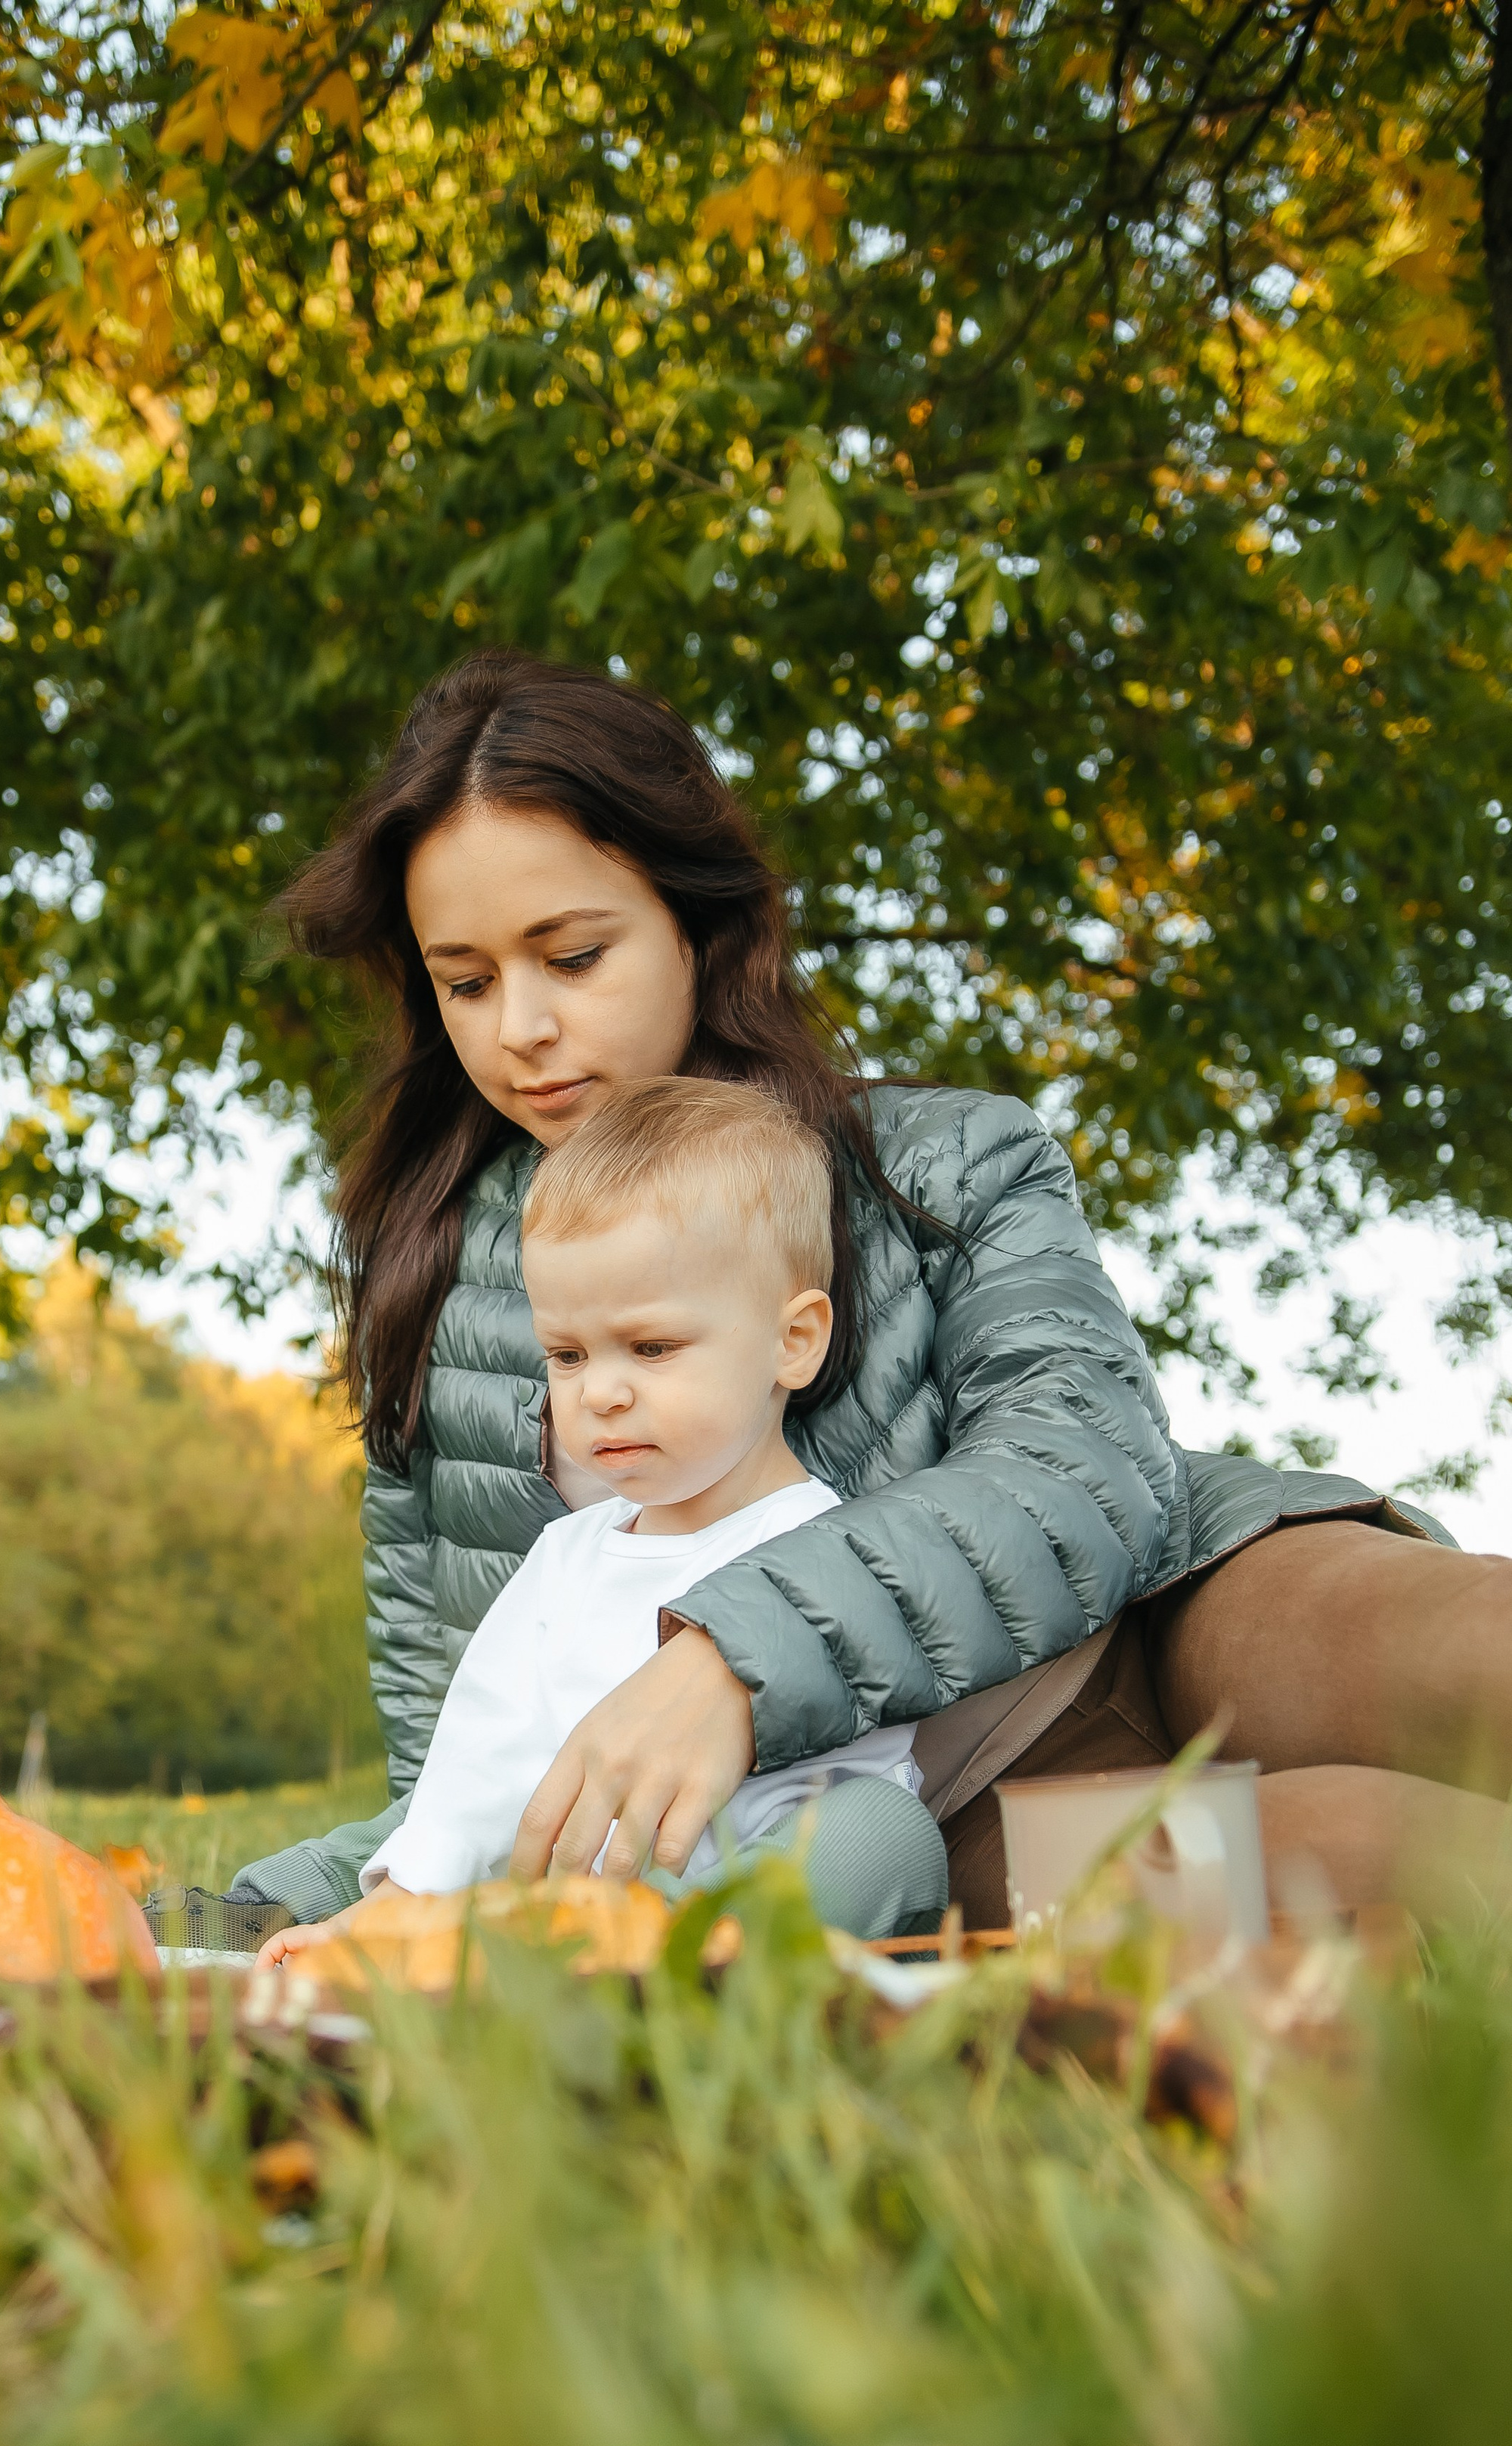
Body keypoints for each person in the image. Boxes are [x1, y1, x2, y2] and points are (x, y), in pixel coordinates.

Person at [232, 649, 1511, 1937]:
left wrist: (739, 1655)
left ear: (695, 922)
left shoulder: (955, 1158)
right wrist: (213, 1912)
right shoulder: (436, 1301)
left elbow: (1083, 1468)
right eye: (467, 980)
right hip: (947, 1816)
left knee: (1476, 1665)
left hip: (1176, 1607)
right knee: (1381, 1859)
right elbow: (466, 1773)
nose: (522, 1026)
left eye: (572, 956)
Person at [259, 1080, 948, 1964]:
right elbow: (486, 1750)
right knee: (463, 1822)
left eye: (652, 1348)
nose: (601, 1391)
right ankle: (324, 1924)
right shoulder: (567, 1556)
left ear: (795, 1341)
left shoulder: (833, 1543)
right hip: (573, 1883)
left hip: (744, 1880)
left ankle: (664, 1954)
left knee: (882, 1830)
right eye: (568, 1355)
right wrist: (404, 1897)